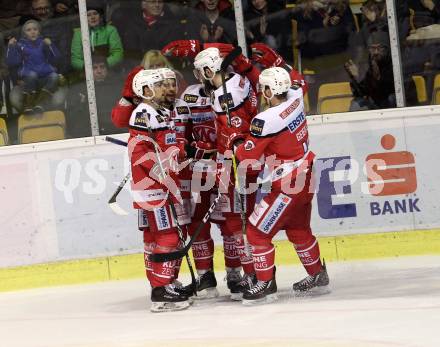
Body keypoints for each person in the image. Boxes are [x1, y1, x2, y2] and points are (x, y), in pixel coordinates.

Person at [229, 66, 329, 304]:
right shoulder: (296, 99)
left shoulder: (266, 119)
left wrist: (235, 141)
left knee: (256, 231)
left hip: (288, 184)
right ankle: (318, 276)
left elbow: (246, 155)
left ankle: (265, 283)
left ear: (267, 90)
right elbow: (298, 81)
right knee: (298, 230)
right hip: (306, 177)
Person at [192, 46, 260, 296]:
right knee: (242, 221)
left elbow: (235, 131)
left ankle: (255, 275)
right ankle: (255, 273)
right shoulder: (240, 80)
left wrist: (228, 146)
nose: (200, 78)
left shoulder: (223, 97)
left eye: (201, 72)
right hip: (249, 160)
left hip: (237, 165)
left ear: (210, 70)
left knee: (237, 223)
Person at [128, 68, 190, 312]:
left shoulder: (156, 112)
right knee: (167, 237)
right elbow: (143, 154)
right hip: (154, 190)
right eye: (158, 85)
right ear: (145, 90)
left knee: (157, 238)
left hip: (159, 187)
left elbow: (165, 147)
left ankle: (164, 283)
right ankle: (160, 289)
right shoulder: (144, 112)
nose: (165, 88)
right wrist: (162, 171)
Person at [6, 19, 60, 115]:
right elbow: (12, 62)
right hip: (29, 79)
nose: (32, 32)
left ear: (39, 32)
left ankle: (40, 103)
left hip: (44, 77)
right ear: (24, 33)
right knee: (32, 75)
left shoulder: (43, 43)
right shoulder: (20, 45)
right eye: (29, 30)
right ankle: (29, 104)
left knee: (54, 76)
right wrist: (11, 47)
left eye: (35, 29)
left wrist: (50, 45)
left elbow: (57, 58)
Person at [71, 2, 123, 71]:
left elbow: (118, 53)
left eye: (95, 13)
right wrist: (88, 68)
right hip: (87, 74)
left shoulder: (110, 30)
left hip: (109, 71)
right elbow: (75, 60)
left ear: (100, 16)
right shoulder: (79, 34)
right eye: (88, 15)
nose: (93, 17)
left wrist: (104, 65)